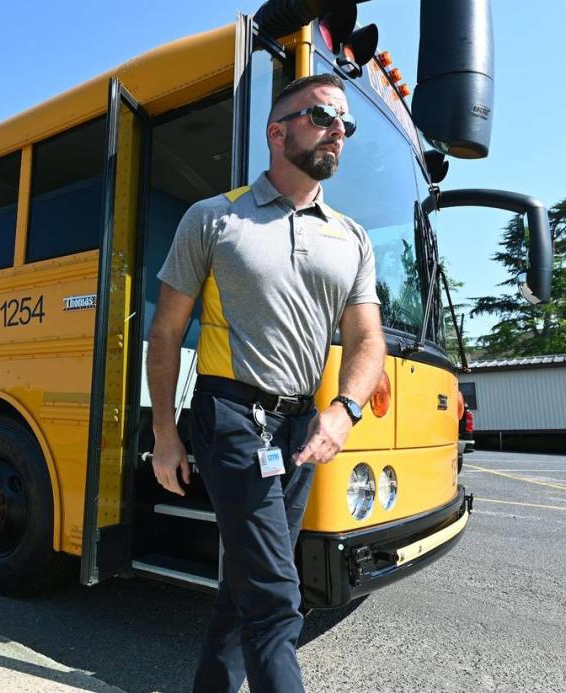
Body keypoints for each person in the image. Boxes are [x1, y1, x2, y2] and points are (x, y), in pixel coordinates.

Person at [146, 73, 387, 693]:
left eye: (345, 123)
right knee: (278, 598)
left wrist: (344, 410)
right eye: (322, 117)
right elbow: (167, 333)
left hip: (304, 426)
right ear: (277, 132)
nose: (338, 130)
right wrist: (166, 435)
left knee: (244, 587)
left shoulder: (352, 238)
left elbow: (367, 342)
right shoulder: (214, 219)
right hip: (231, 416)